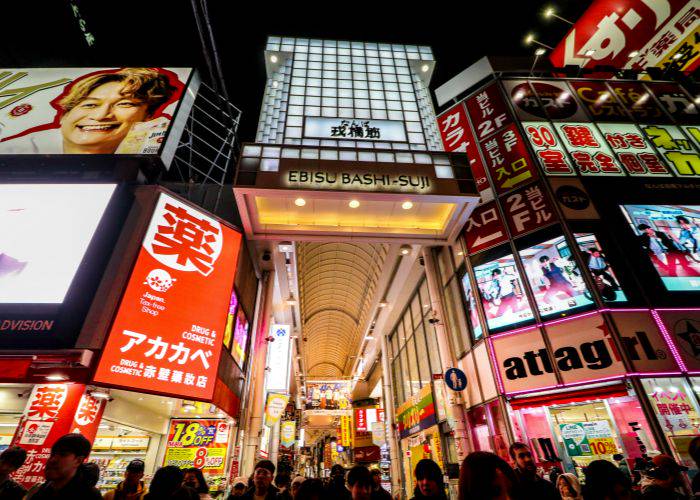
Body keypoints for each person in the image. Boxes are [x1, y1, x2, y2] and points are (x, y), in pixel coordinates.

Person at [56, 68, 176, 155]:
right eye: (90, 105)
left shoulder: (152, 149)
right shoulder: (38, 147)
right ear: (64, 115)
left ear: (148, 117)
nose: (100, 115)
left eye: (124, 104)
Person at [25, 433, 102, 500]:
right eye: (52, 454)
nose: (52, 460)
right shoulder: (39, 490)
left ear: (78, 461)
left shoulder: (89, 496)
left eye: (63, 455)